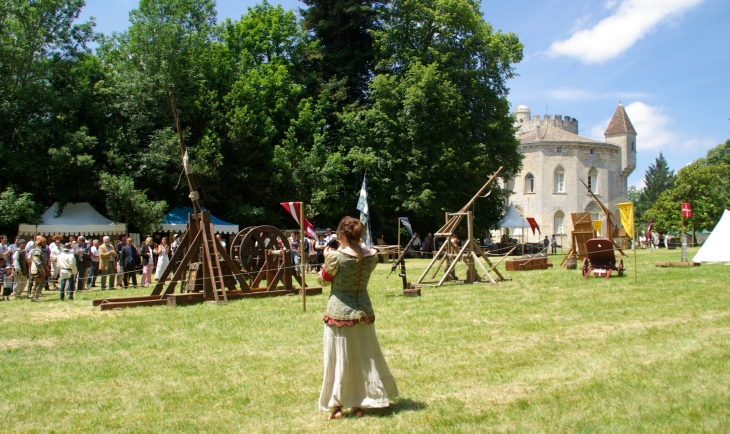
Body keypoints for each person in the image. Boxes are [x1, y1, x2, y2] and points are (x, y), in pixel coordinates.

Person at [317, 216, 398, 420]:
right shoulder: (371, 256)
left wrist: (327, 259)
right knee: (363, 359)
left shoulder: (336, 257)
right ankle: (359, 403)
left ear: (342, 235)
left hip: (339, 312)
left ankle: (337, 405)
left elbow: (323, 281)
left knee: (339, 360)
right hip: (363, 311)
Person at [29, 237, 49, 302]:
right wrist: (41, 270)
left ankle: (33, 295)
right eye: (44, 242)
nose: (45, 244)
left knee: (38, 283)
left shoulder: (41, 250)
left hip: (40, 269)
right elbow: (37, 261)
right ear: (40, 243)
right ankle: (35, 296)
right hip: (37, 270)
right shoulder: (37, 250)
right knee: (41, 283)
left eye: (45, 242)